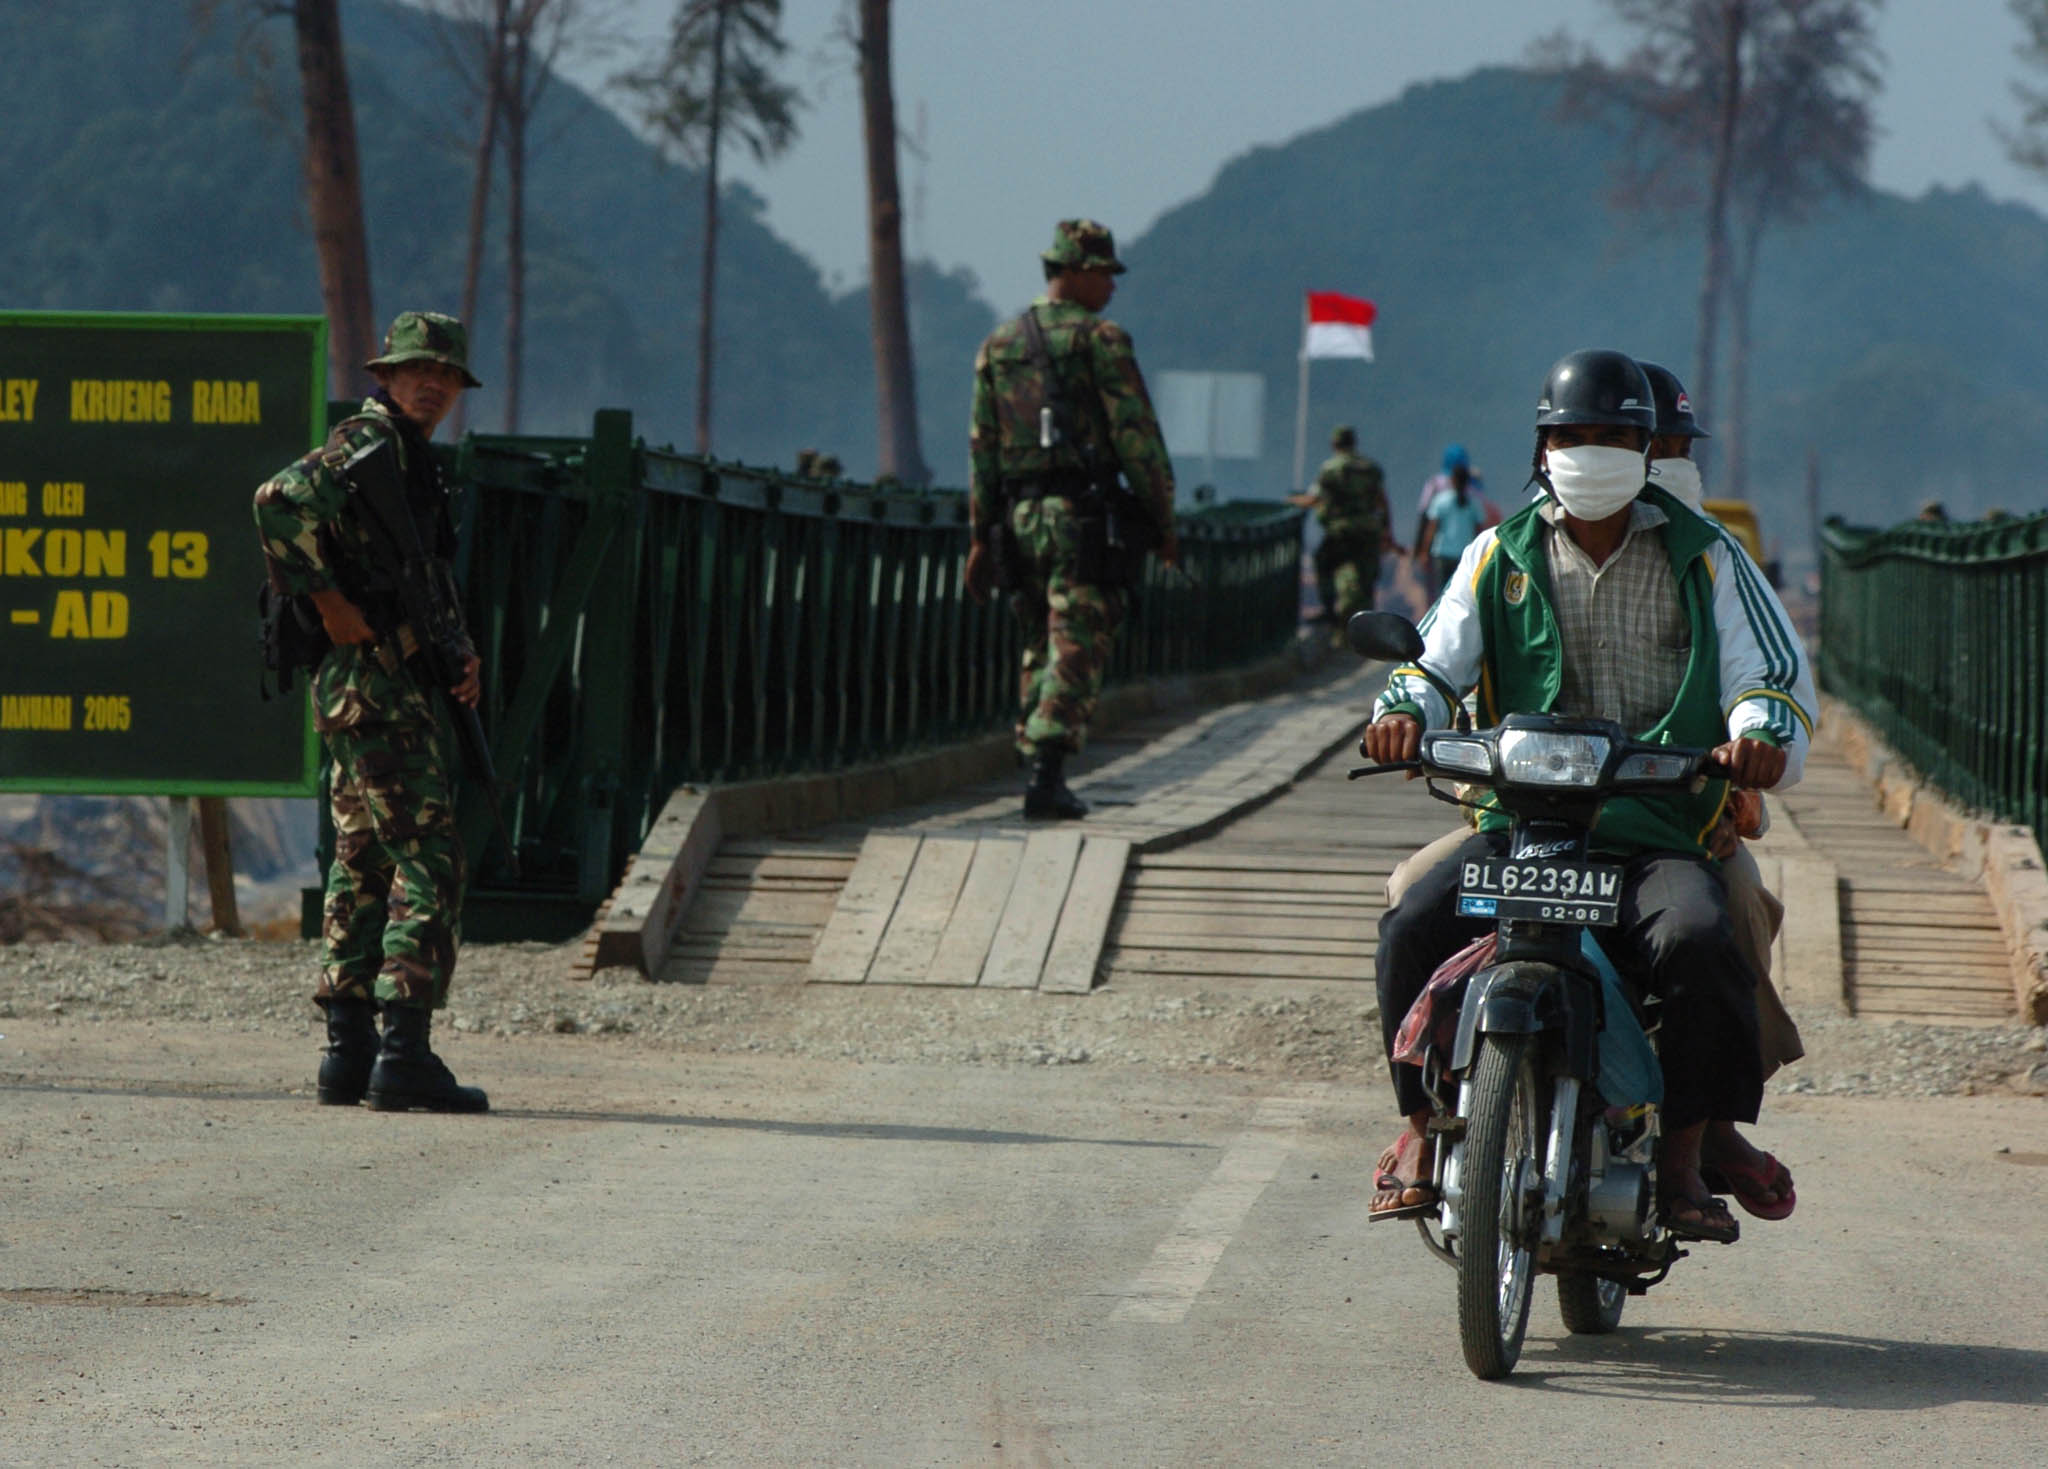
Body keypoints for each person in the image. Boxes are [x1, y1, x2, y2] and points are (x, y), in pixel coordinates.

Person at [1362, 349, 1816, 1244]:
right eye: (1573, 435)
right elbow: (1433, 659)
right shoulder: (1500, 550)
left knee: (1699, 937)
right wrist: (1401, 712)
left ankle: (1686, 1155)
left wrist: (1759, 734)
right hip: (1522, 820)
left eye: (1613, 436)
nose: (1591, 452)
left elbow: (1769, 672)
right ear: (1542, 448)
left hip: (1655, 827)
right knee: (1412, 915)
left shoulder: (1707, 553)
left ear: (1648, 450)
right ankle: (1419, 1127)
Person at [253, 310, 490, 1114]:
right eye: (418, 370)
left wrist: (457, 652)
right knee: (430, 855)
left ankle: (348, 1054)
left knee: (361, 860)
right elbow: (277, 500)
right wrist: (327, 603)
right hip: (372, 681)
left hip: (369, 685)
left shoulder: (408, 461)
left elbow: (419, 570)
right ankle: (405, 1050)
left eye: (447, 376)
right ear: (385, 376)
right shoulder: (367, 446)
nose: (434, 384)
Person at [963, 219, 1179, 820]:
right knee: (1077, 636)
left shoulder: (998, 344)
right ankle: (1047, 772)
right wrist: (1163, 521)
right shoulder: (1102, 340)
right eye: (1105, 275)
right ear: (1077, 272)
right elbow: (1136, 438)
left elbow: (982, 448)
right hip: (1081, 518)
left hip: (1017, 516)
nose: (1111, 288)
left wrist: (980, 538)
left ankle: (1035, 759)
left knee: (1038, 637)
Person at [1289, 425, 1394, 628]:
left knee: (1324, 563)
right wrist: (1387, 532)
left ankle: (1329, 611)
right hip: (1368, 530)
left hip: (1341, 531)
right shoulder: (1370, 468)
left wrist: (1292, 501)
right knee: (1366, 576)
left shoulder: (1331, 468)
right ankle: (1366, 622)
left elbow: (1315, 498)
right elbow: (1383, 502)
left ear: (1334, 444)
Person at [1410, 445, 1501, 597]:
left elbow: (1426, 519)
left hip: (1442, 551)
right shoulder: (1473, 493)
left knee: (1441, 593)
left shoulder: (1436, 486)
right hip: (1464, 552)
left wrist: (1420, 550)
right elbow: (1481, 524)